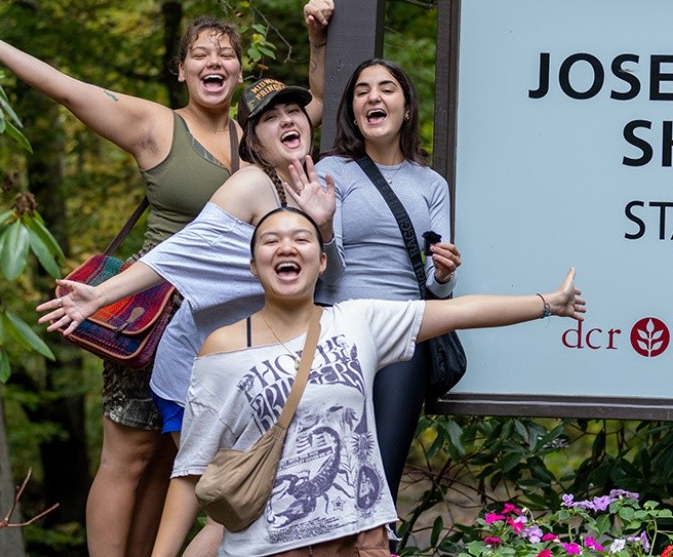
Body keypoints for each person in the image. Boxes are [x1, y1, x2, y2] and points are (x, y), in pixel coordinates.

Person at [0, 0, 330, 557]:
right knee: (130, 454)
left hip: (225, 321)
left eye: (226, 54)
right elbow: (66, 88)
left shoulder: (253, 136)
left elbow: (314, 107)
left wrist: (317, 41)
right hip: (155, 307)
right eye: (201, 53)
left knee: (173, 458)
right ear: (181, 70)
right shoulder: (156, 124)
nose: (215, 61)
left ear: (237, 72)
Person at [150, 206, 586, 557]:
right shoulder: (222, 347)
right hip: (267, 547)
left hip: (358, 542)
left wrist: (548, 302)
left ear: (322, 262)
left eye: (301, 239)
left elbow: (462, 312)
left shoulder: (358, 320)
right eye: (271, 240)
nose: (287, 247)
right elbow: (191, 471)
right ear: (253, 265)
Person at [39, 76, 338, 556]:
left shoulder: (310, 186)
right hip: (193, 368)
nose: (288, 121)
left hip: (248, 366)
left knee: (242, 493)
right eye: (269, 118)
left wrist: (323, 226)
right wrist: (99, 296)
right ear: (253, 141)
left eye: (295, 112)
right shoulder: (249, 185)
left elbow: (329, 278)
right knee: (235, 493)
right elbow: (178, 253)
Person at [315, 57, 462, 504]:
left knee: (382, 473)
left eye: (386, 88)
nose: (373, 97)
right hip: (338, 325)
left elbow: (441, 290)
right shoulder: (333, 170)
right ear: (354, 111)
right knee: (331, 466)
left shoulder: (431, 184)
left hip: (405, 328)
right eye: (362, 91)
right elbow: (329, 270)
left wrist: (442, 272)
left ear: (406, 108)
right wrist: (322, 230)